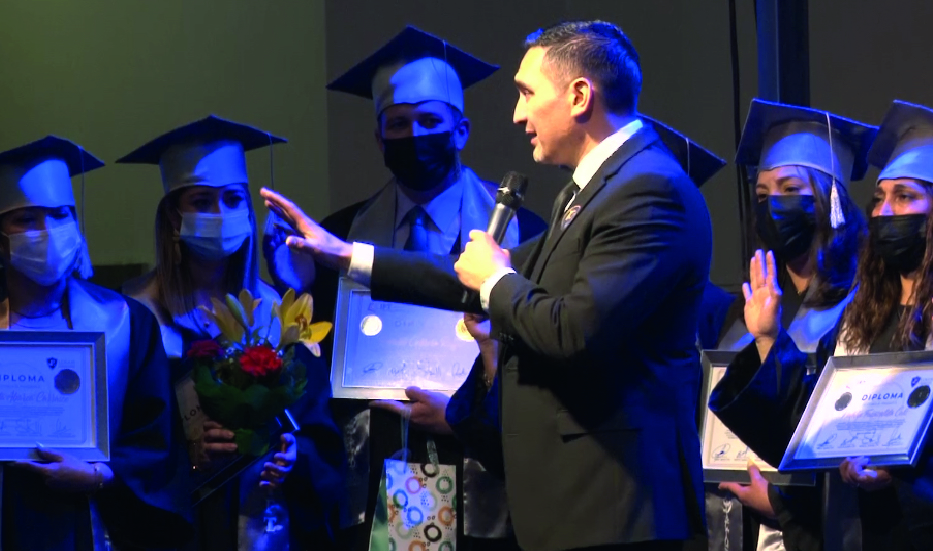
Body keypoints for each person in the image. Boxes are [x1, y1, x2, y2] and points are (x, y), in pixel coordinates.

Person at [263, 19, 711, 551]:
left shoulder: (646, 189)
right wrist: (345, 255)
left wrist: (495, 279)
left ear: (578, 96)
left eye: (527, 93)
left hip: (617, 504)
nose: (518, 113)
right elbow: (467, 276)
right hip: (581, 503)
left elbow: (574, 330)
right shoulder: (594, 189)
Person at [263, 26, 548, 551]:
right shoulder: (341, 236)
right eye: (397, 124)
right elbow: (319, 362)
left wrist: (463, 417)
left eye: (430, 122)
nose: (414, 135)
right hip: (378, 463)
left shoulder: (524, 234)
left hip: (486, 470)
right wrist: (292, 286)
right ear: (378, 138)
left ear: (460, 131)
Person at [710, 99, 933, 551]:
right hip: (859, 532)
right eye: (879, 199)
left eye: (905, 197)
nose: (884, 212)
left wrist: (905, 470)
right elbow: (808, 426)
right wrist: (768, 337)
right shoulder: (860, 320)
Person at [115, 115, 345, 551]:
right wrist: (187, 456)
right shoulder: (133, 316)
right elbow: (126, 446)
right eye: (202, 201)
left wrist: (295, 454)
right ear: (173, 218)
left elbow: (322, 433)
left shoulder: (279, 314)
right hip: (184, 531)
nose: (221, 214)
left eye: (234, 199)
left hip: (270, 525)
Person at [0, 136, 191, 550]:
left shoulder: (126, 322)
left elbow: (156, 441)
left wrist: (97, 475)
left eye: (61, 215)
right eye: (26, 219)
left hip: (96, 526)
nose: (47, 232)